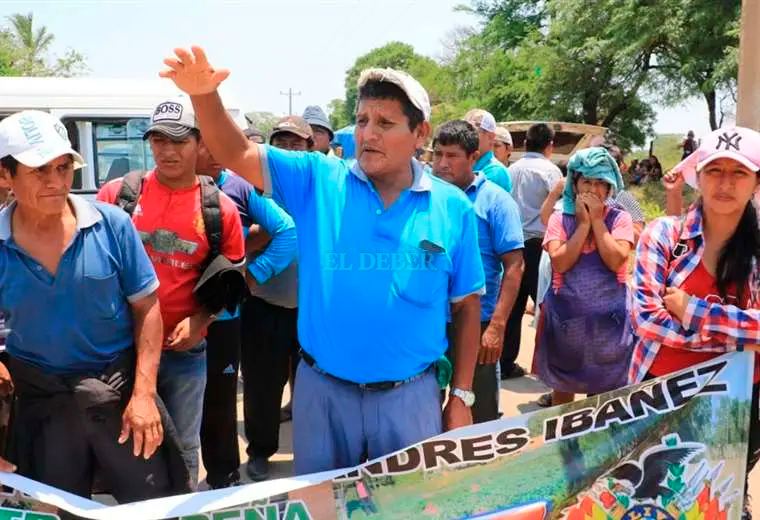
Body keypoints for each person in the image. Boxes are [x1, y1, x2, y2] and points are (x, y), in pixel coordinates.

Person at [160, 46, 485, 474]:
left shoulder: (453, 208)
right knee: (319, 506)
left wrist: (461, 396)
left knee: (411, 507)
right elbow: (236, 152)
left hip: (411, 399)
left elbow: (466, 308)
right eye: (364, 120)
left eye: (385, 124)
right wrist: (204, 96)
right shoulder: (318, 179)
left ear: (420, 133)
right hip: (323, 395)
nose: (368, 134)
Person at [0, 110, 190, 503]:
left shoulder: (113, 226)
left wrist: (142, 394)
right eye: (39, 171)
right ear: (5, 176)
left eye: (63, 167)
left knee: (153, 507)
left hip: (118, 397)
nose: (57, 182)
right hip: (43, 406)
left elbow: (148, 309)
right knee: (57, 509)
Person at [97, 97, 246, 489]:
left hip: (184, 353)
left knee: (183, 446)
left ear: (199, 143)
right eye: (158, 139)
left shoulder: (220, 209)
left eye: (178, 140)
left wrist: (200, 321)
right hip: (120, 350)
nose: (167, 150)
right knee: (123, 443)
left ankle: (179, 509)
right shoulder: (118, 195)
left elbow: (231, 278)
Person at [630, 127, 760, 518]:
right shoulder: (664, 236)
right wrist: (739, 335)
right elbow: (648, 320)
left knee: (722, 497)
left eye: (738, 173)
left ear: (756, 182)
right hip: (661, 397)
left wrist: (695, 311)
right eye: (714, 170)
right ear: (697, 176)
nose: (724, 183)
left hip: (738, 403)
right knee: (657, 498)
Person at [194, 139, 297, 488]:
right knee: (258, 386)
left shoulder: (238, 187)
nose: (215, 154)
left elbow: (285, 232)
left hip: (229, 316)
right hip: (172, 321)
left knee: (221, 402)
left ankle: (223, 476)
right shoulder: (139, 190)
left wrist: (248, 279)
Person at [432, 120, 524, 423]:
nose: (442, 164)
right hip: (428, 322)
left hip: (477, 325)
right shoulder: (424, 197)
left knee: (477, 416)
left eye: (452, 156)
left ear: (473, 157)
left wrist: (496, 327)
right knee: (427, 416)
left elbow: (514, 266)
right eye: (437, 154)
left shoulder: (496, 201)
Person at [535, 147, 634, 403]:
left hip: (609, 329)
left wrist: (598, 223)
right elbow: (560, 263)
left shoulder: (620, 219)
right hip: (568, 327)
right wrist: (582, 226)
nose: (593, 189)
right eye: (586, 182)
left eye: (600, 183)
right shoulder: (560, 220)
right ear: (575, 185)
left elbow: (616, 260)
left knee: (604, 397)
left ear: (610, 187)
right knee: (563, 389)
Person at [242, 115, 306, 481]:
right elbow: (239, 240)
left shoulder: (322, 190)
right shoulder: (254, 189)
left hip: (312, 307)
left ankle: (312, 452)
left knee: (315, 387)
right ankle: (260, 451)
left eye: (296, 143)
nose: (288, 149)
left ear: (311, 148)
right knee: (262, 386)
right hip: (263, 305)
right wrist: (271, 230)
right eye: (281, 142)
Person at [501, 123, 563, 379]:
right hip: (541, 247)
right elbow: (559, 213)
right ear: (550, 146)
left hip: (511, 246)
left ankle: (504, 363)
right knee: (546, 308)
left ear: (525, 144)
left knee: (511, 307)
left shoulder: (509, 170)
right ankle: (547, 370)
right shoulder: (553, 173)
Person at [464, 109, 512, 193]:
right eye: (464, 132)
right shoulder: (473, 165)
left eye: (473, 133)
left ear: (490, 137)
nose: (467, 137)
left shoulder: (495, 172)